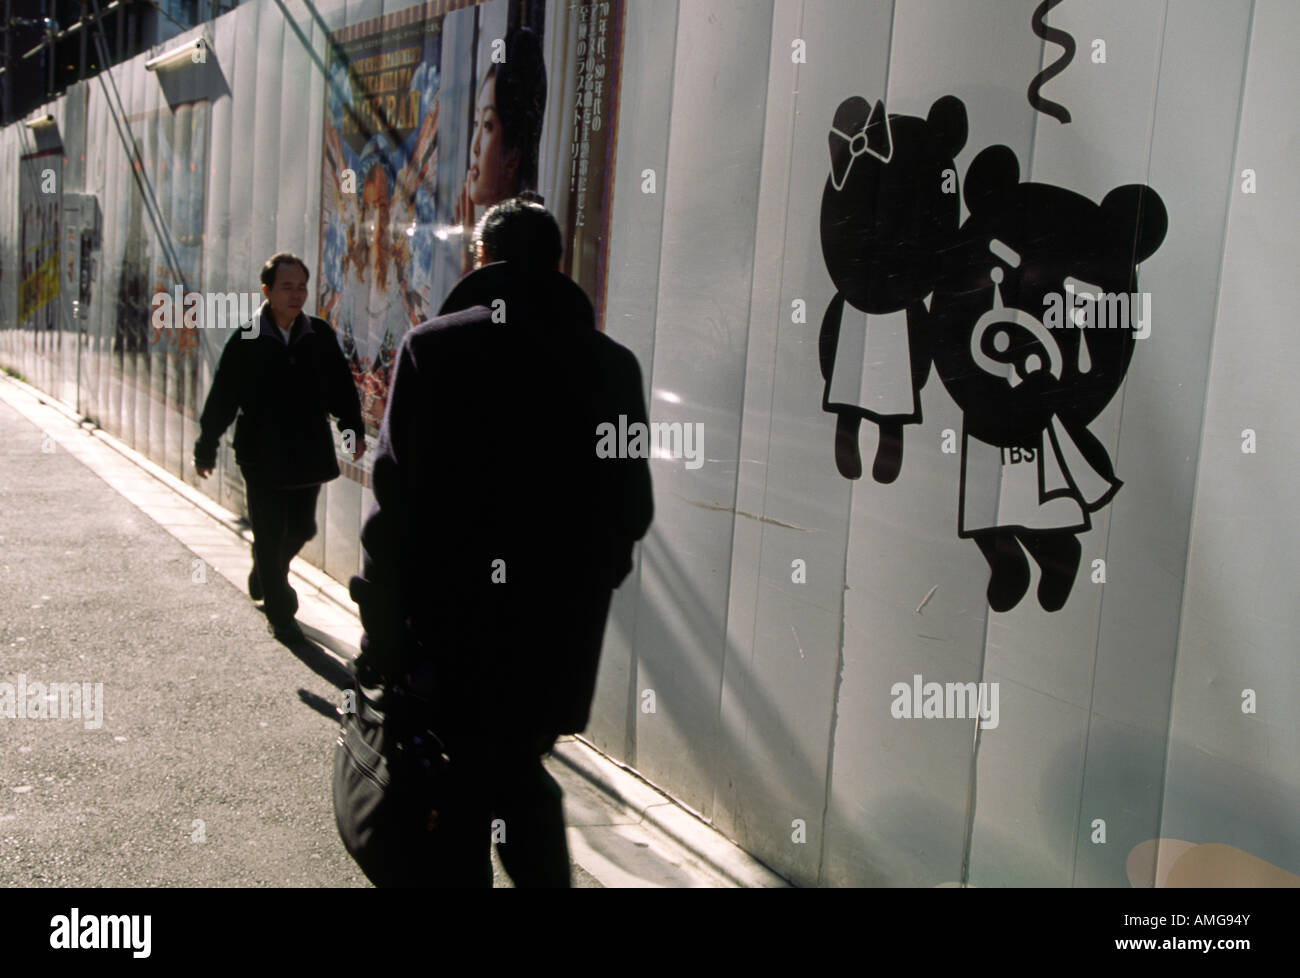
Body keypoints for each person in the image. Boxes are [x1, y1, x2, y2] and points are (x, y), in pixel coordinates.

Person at [349, 198, 653, 886]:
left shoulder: (432, 350)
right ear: (557, 264)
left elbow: (392, 507)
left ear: (481, 260)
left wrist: (380, 626)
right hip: (556, 642)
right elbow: (631, 509)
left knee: (467, 790)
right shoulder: (614, 367)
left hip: (445, 636)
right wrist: (584, 584)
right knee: (513, 774)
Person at [194, 253, 365, 643]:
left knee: (302, 528)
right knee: (271, 534)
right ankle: (281, 611)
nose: (296, 294)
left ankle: (265, 569)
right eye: (287, 287)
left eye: (302, 286)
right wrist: (206, 446)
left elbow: (340, 387)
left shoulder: (318, 334)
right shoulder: (247, 338)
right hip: (262, 453)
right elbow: (222, 398)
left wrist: (351, 429)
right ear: (267, 291)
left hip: (308, 451)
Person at [454, 27, 548, 275]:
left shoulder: (523, 252)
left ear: (513, 158)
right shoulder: (489, 237)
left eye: (487, 126)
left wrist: (469, 263)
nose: (474, 146)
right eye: (476, 123)